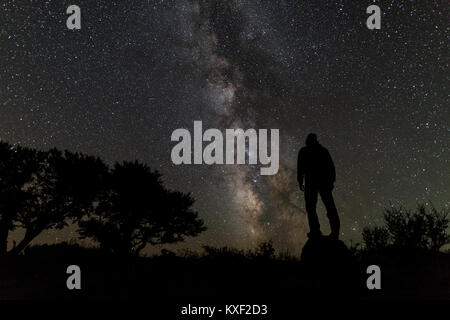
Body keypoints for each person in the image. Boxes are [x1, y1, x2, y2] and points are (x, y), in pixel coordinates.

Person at [297, 133, 340, 240]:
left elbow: (300, 168)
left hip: (317, 183)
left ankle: (318, 231)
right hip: (320, 183)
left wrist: (300, 181)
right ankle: (326, 231)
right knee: (324, 207)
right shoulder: (322, 151)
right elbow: (331, 167)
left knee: (315, 208)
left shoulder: (306, 151)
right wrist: (331, 182)